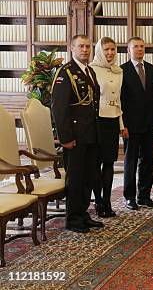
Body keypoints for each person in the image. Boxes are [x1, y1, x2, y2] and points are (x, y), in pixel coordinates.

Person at [50, 34, 102, 233]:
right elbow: (59, 108)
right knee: (76, 178)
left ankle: (83, 213)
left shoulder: (89, 71)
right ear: (72, 48)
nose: (85, 50)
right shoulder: (66, 73)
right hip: (75, 137)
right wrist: (65, 138)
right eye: (81, 46)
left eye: (88, 46)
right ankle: (72, 219)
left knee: (89, 177)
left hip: (90, 135)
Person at [120, 37, 153, 210]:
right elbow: (121, 100)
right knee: (130, 161)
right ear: (128, 50)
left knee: (148, 161)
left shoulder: (152, 69)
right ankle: (129, 197)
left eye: (142, 46)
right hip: (130, 125)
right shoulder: (121, 70)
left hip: (150, 123)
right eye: (135, 47)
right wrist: (123, 125)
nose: (139, 49)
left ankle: (144, 195)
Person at [90, 37, 126, 218]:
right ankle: (98, 201)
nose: (110, 53)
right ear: (99, 51)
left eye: (113, 49)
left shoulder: (119, 71)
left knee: (110, 162)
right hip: (97, 121)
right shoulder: (92, 69)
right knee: (96, 163)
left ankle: (108, 201)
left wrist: (122, 125)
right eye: (106, 50)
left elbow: (118, 100)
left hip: (112, 119)